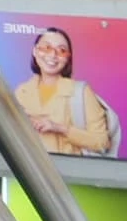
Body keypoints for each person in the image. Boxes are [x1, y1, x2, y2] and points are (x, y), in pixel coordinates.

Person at [7, 22, 118, 159]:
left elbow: (102, 142)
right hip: (30, 171)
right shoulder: (22, 92)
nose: (53, 55)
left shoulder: (80, 92)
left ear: (68, 58)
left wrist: (59, 128)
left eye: (61, 50)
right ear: (35, 51)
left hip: (71, 175)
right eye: (46, 48)